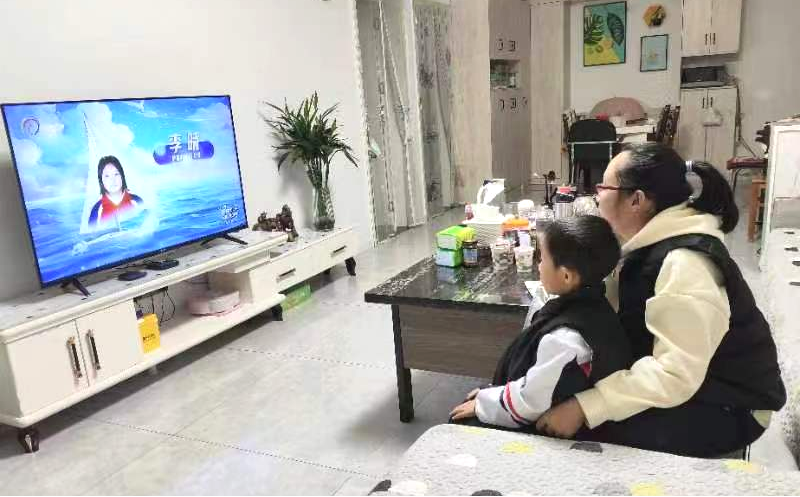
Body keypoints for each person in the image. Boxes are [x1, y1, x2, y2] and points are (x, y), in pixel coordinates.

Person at [536, 142, 787, 458]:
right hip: (699, 385)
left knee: (576, 434)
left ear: (636, 200)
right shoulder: (650, 242)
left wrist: (584, 407)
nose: (597, 196)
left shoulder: (685, 264)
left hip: (729, 407)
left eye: (603, 187)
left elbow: (675, 374)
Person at [450, 216, 632, 431]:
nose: (539, 266)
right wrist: (491, 393)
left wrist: (483, 403)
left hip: (547, 420)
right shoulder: (594, 305)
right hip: (542, 394)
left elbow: (529, 402)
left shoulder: (565, 339)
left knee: (458, 421)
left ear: (566, 276)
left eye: (543, 259)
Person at [88, 156, 144, 227]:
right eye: (107, 176)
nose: (112, 180)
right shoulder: (96, 210)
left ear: (122, 176)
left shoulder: (137, 202)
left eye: (116, 174)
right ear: (101, 181)